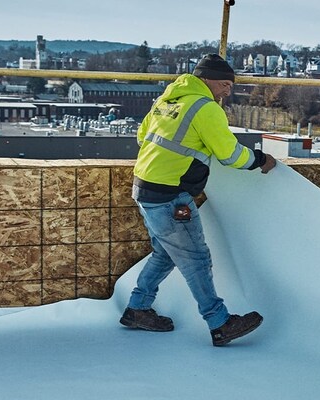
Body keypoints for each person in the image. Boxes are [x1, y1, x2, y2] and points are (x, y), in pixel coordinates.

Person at [120, 54, 276, 346]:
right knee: (196, 259)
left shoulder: (167, 100)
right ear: (206, 80)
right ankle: (220, 323)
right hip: (169, 195)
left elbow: (143, 137)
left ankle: (138, 308)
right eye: (224, 83)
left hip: (144, 188)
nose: (228, 91)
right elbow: (229, 155)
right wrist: (260, 160)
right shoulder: (206, 108)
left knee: (166, 253)